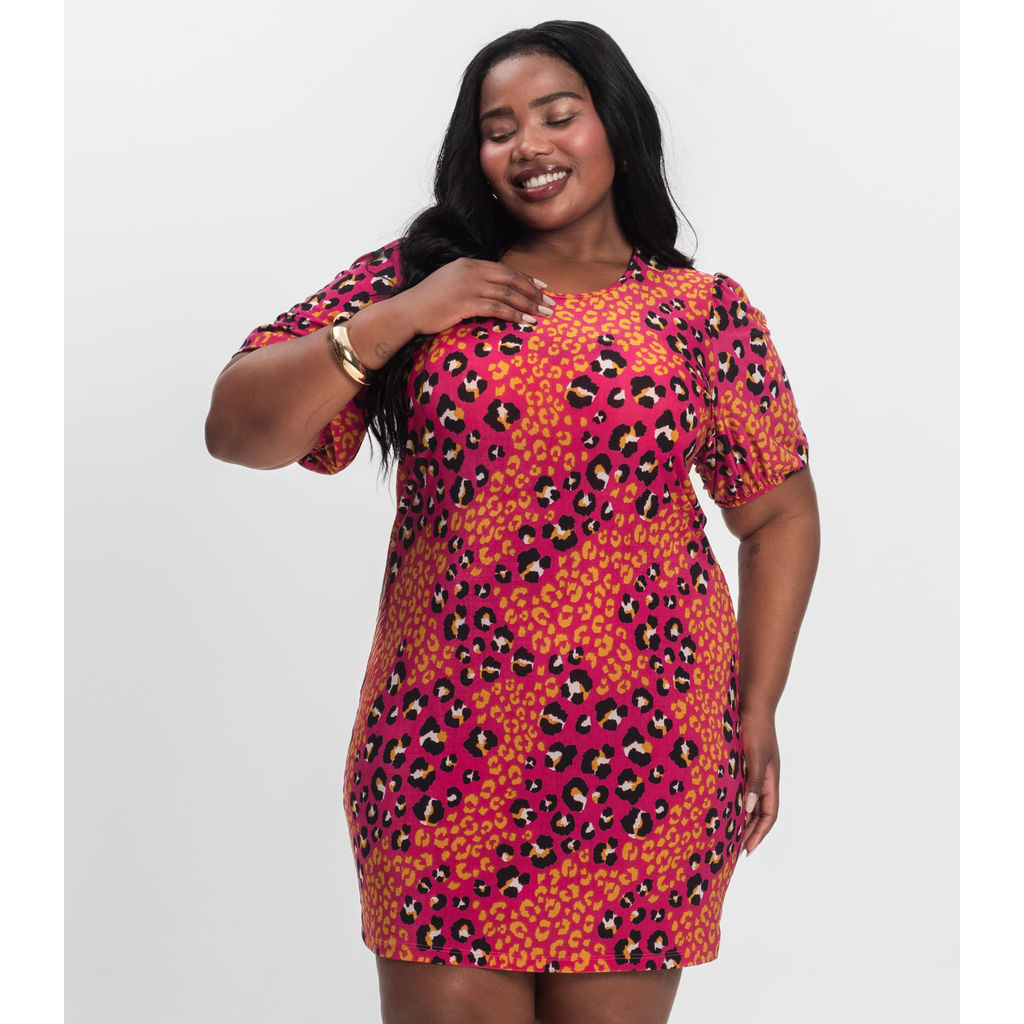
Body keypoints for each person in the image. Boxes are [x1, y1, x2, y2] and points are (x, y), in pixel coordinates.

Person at [205, 19, 820, 1024]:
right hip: (444, 751)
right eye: (498, 129)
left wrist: (758, 706)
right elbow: (236, 429)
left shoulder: (700, 312)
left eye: (556, 115)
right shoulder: (419, 280)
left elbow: (779, 511)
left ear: (614, 124)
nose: (528, 144)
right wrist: (406, 313)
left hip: (645, 754)